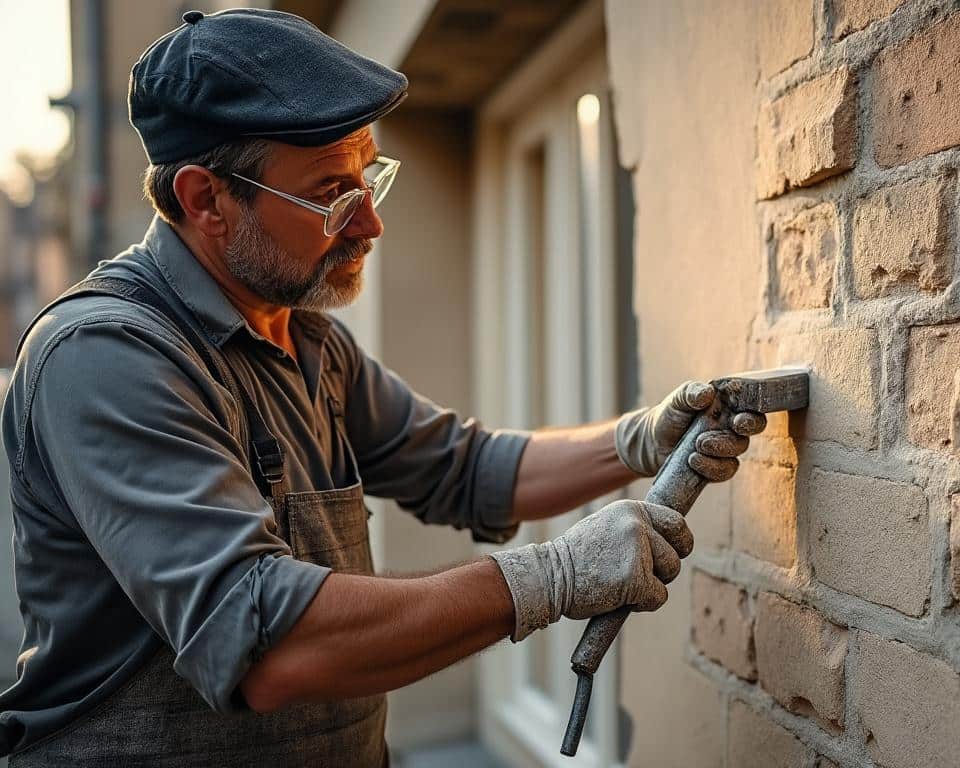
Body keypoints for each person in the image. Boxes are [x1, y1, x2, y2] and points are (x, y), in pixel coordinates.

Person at [0, 9, 764, 766]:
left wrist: (641, 439)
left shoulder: (306, 340)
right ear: (206, 201)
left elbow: (467, 469)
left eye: (370, 177)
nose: (369, 223)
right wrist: (551, 578)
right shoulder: (105, 356)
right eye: (333, 193)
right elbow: (272, 645)